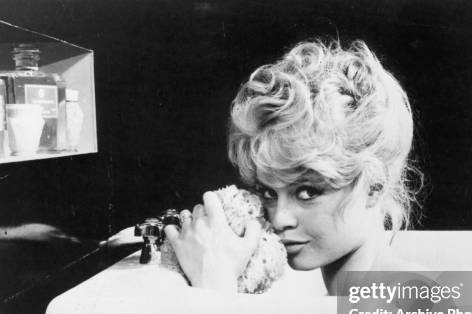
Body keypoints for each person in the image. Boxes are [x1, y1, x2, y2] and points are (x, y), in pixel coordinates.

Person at [164, 39, 422, 295]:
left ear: (374, 188)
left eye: (308, 192)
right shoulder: (347, 302)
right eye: (268, 193)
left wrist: (216, 283)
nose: (279, 219)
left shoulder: (422, 299)